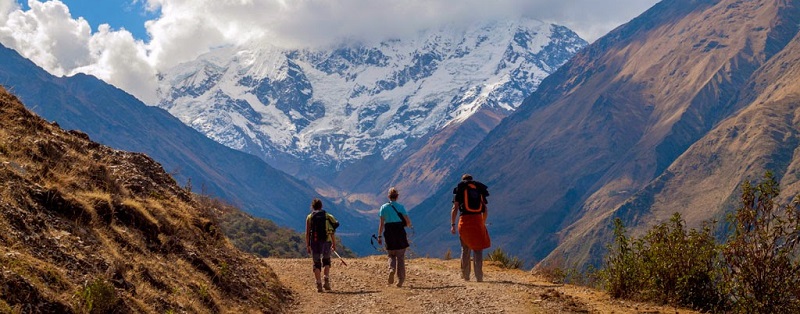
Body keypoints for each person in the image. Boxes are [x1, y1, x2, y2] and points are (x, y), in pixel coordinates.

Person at [450, 174, 491, 282]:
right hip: (478, 221)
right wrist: (483, 222)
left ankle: (465, 275)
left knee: (465, 249)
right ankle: (479, 276)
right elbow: (485, 209)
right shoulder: (479, 190)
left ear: (463, 180)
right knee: (478, 250)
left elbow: (455, 208)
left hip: (465, 221)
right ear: (472, 180)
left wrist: (453, 224)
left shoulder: (460, 190)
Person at [377, 187, 412, 287]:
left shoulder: (383, 207)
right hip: (400, 232)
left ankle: (391, 269)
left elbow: (381, 224)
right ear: (397, 197)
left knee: (391, 254)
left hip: (389, 232)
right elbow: (408, 222)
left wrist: (379, 236)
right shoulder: (401, 207)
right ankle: (400, 280)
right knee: (400, 257)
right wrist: (406, 225)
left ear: (388, 196)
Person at [305, 198, 339, 292]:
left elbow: (307, 233)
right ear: (321, 206)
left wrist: (308, 245)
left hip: (314, 242)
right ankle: (326, 279)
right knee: (326, 260)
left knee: (316, 263)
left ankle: (318, 283)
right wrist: (334, 244)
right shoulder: (328, 216)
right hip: (326, 241)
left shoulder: (309, 217)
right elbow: (332, 231)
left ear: (312, 206)